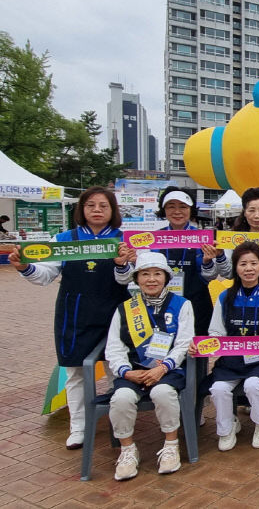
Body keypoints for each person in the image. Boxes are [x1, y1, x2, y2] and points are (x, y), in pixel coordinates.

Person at [7, 186, 131, 449]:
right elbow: (44, 276)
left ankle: (119, 425)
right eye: (91, 205)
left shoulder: (124, 239)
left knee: (116, 371)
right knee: (75, 373)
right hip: (75, 314)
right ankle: (79, 427)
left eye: (103, 206)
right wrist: (24, 266)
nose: (97, 210)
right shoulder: (64, 239)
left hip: (115, 314)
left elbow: (129, 280)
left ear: (113, 211)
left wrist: (123, 264)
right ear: (81, 209)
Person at [192, 242, 259, 451]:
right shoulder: (225, 297)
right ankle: (227, 428)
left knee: (253, 385)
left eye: (253, 263)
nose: (249, 268)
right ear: (235, 268)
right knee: (218, 388)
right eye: (243, 264)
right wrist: (201, 347)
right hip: (231, 361)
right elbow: (215, 332)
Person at [105, 251, 194, 480]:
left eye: (157, 274)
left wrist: (163, 368)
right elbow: (114, 347)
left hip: (168, 369)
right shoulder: (125, 309)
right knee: (121, 398)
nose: (151, 279)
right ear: (137, 279)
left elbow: (184, 343)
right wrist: (126, 371)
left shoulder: (182, 305)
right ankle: (127, 450)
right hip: (134, 370)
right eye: (145, 274)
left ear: (166, 277)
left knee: (163, 392)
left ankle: (171, 445)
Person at [116, 187, 230, 336]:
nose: (177, 212)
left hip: (197, 304)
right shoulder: (152, 238)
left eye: (183, 207)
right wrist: (135, 262)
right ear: (163, 210)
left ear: (191, 209)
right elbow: (138, 275)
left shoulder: (203, 238)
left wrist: (207, 262)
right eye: (171, 207)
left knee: (195, 351)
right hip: (161, 304)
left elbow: (210, 277)